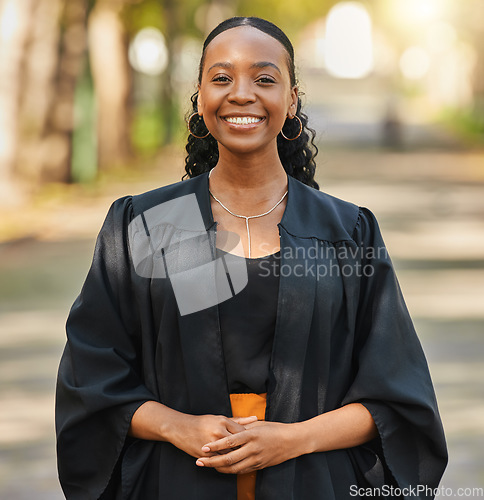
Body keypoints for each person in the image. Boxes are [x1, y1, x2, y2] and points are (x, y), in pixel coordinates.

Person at [55, 16, 447, 500]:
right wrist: (178, 427)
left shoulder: (344, 232)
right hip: (177, 483)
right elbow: (91, 376)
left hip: (314, 484)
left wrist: (291, 439)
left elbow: (398, 398)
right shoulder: (155, 222)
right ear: (199, 96)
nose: (242, 94)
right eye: (222, 78)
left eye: (265, 79)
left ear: (292, 99)